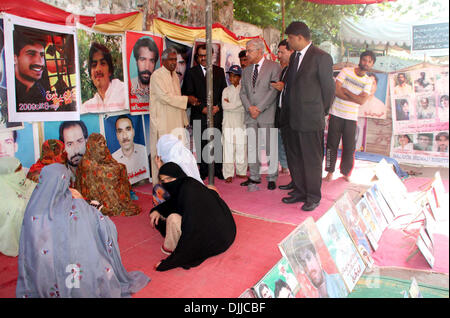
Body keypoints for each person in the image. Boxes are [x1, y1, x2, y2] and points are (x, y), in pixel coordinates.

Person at [16, 163, 150, 297]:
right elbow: (103, 227)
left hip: (42, 274)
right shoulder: (76, 205)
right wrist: (95, 211)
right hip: (73, 270)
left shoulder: (32, 209)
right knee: (98, 262)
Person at [281, 21, 335, 211]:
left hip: (311, 119)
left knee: (311, 159)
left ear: (299, 37)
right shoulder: (295, 56)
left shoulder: (322, 57)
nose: (288, 42)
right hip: (291, 118)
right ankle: (300, 190)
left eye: (290, 38)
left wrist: (322, 112)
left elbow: (329, 90)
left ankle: (313, 196)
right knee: (295, 157)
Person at [148, 162, 236, 271]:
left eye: (169, 179)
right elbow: (174, 203)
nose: (166, 183)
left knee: (173, 219)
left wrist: (170, 262)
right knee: (166, 215)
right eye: (163, 180)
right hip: (226, 233)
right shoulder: (188, 183)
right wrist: (157, 210)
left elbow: (192, 231)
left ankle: (169, 247)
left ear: (178, 176)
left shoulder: (188, 191)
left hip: (215, 240)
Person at [324, 51, 375, 183]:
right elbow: (336, 91)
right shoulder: (346, 71)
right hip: (336, 114)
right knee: (331, 145)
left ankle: (346, 172)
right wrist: (355, 96)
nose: (366, 63)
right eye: (364, 60)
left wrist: (346, 91)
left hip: (351, 117)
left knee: (349, 147)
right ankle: (329, 172)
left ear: (372, 64)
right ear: (360, 60)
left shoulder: (368, 81)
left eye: (369, 61)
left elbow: (362, 101)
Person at [239, 38, 281, 191]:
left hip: (267, 114)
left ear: (259, 51)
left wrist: (259, 108)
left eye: (249, 50)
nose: (247, 53)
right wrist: (250, 108)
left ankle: (272, 177)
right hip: (250, 114)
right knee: (252, 147)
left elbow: (274, 90)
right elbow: (242, 92)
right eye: (246, 50)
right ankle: (254, 177)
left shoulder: (274, 67)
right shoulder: (246, 70)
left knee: (270, 147)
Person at [182, 44, 228, 181]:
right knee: (201, 143)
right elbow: (187, 93)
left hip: (216, 114)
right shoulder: (191, 72)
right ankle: (203, 171)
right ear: (197, 57)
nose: (203, 58)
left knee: (217, 143)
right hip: (199, 114)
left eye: (206, 55)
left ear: (212, 56)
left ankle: (218, 170)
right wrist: (201, 108)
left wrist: (218, 107)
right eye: (201, 55)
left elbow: (224, 93)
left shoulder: (220, 71)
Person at [149, 47, 194, 181]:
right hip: (162, 122)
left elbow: (176, 97)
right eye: (171, 59)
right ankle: (160, 188)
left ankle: (175, 184)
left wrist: (184, 120)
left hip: (176, 123)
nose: (174, 62)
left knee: (176, 155)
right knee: (162, 155)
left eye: (175, 59)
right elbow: (165, 97)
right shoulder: (157, 75)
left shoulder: (174, 75)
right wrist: (187, 99)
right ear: (163, 61)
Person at [75, 133, 141, 217]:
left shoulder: (103, 151)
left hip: (102, 170)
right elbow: (96, 170)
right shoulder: (86, 161)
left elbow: (110, 161)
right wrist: (110, 169)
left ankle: (126, 195)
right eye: (100, 144)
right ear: (93, 145)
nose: (103, 146)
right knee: (109, 174)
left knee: (121, 167)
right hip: (96, 183)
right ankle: (113, 202)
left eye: (104, 143)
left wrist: (114, 167)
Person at [292, 230, 347, 298]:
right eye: (303, 264)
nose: (309, 268)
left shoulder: (342, 281)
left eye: (309, 258)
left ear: (317, 258)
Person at [152, 134, 203, 206]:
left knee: (157, 188)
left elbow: (169, 186)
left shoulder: (172, 164)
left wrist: (160, 167)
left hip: (184, 202)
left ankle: (164, 213)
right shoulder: (185, 154)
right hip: (198, 192)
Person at [0, 157, 37, 257]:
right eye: (17, 171)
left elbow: (33, 186)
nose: (21, 173)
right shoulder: (5, 195)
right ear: (6, 175)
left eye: (20, 169)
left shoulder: (20, 183)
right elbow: (16, 207)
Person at [81, 42, 127, 113]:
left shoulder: (124, 91)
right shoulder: (87, 107)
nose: (98, 69)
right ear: (91, 75)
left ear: (110, 71)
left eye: (102, 63)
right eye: (94, 65)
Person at [221, 65, 247, 183]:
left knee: (241, 148)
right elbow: (225, 106)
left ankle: (241, 171)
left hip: (241, 122)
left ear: (239, 77)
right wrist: (239, 104)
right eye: (230, 75)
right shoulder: (226, 90)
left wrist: (234, 105)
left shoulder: (244, 90)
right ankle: (228, 173)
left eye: (234, 76)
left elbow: (244, 107)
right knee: (228, 149)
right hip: (228, 123)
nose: (231, 78)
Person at [13, 27, 50, 109]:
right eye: (31, 54)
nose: (40, 62)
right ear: (15, 58)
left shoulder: (41, 90)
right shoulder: (7, 91)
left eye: (42, 55)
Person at [272, 39, 293, 178]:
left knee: (289, 142)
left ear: (291, 52)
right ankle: (284, 165)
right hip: (280, 111)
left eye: (282, 52)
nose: (279, 55)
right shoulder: (284, 69)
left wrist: (284, 87)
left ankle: (290, 166)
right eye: (278, 52)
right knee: (279, 138)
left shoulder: (297, 69)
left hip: (292, 113)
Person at [112, 115, 149, 185]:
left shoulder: (144, 151)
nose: (125, 136)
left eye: (128, 129)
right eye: (120, 131)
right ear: (116, 135)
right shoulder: (112, 159)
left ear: (133, 132)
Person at [130, 37, 159, 105]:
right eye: (143, 60)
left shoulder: (159, 87)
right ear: (136, 61)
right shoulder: (129, 85)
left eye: (151, 61)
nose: (147, 67)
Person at [59, 120, 88, 186]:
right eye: (70, 144)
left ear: (87, 141)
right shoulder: (58, 177)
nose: (76, 151)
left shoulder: (100, 172)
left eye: (79, 141)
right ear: (63, 147)